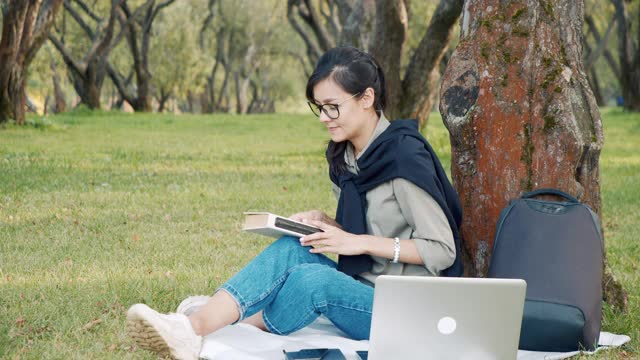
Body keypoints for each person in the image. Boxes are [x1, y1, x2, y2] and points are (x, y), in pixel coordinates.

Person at [126, 46, 463, 360]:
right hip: (360, 289)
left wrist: (354, 241)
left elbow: (440, 249)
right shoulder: (347, 158)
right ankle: (193, 327)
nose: (324, 117)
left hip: (405, 308)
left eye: (333, 106)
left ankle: (210, 321)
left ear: (367, 98)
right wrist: (329, 225)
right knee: (293, 247)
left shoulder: (404, 158)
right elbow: (370, 228)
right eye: (319, 108)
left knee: (314, 282)